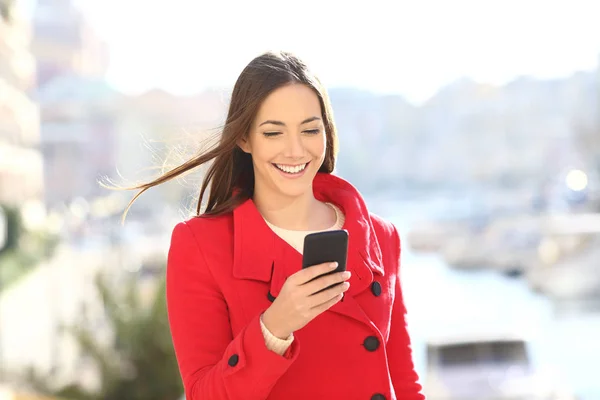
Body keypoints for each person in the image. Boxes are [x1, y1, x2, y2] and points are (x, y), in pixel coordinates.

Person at [125, 51, 424, 400]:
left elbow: (405, 384)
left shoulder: (379, 237)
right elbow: (203, 394)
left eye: (310, 129)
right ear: (244, 138)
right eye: (273, 133)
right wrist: (274, 327)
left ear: (327, 133)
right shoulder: (201, 244)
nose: (295, 150)